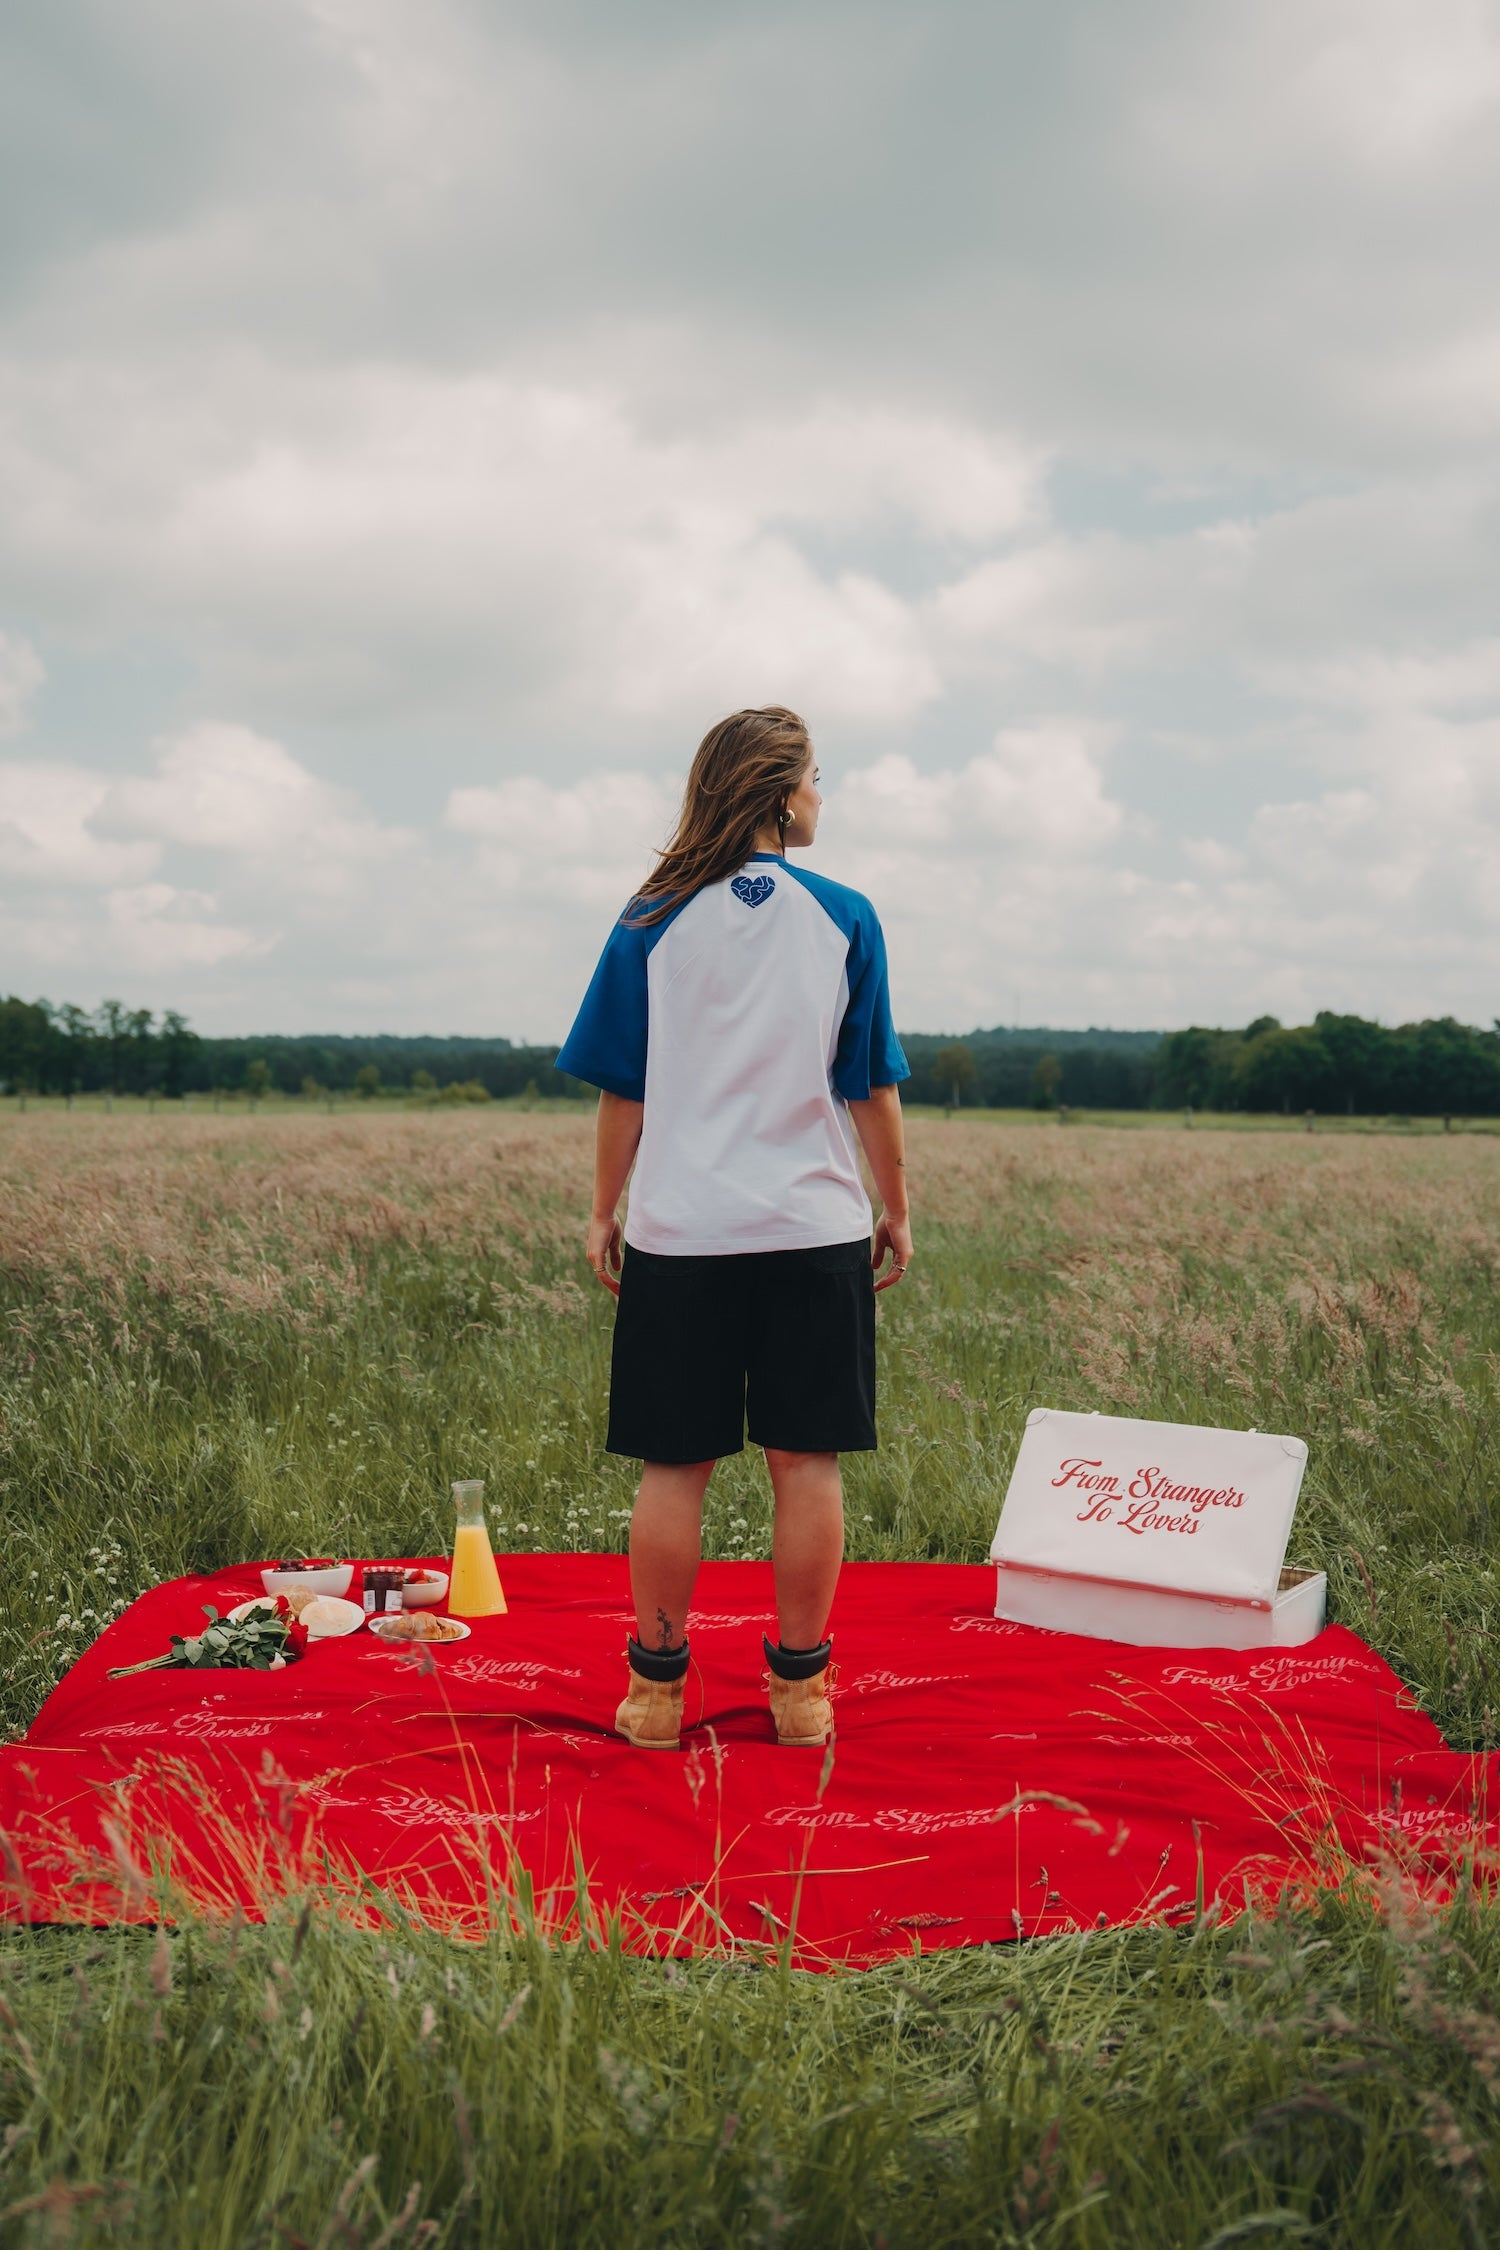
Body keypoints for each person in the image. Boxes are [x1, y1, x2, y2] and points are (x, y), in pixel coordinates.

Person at [556, 706, 913, 1750]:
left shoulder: (650, 917)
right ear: (779, 792)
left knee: (676, 1469)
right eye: (816, 779)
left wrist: (601, 1210)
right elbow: (871, 1089)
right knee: (807, 1465)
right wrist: (894, 1208)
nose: (822, 797)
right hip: (813, 1231)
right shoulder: (846, 914)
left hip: (682, 1235)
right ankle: (801, 1696)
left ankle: (656, 1694)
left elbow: (624, 1091)